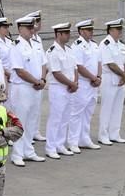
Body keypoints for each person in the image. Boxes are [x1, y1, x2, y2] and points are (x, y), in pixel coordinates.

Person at [8, 16, 47, 167]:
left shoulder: (37, 43)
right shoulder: (16, 46)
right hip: (23, 87)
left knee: (32, 120)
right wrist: (36, 81)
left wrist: (42, 79)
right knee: (20, 122)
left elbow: (44, 64)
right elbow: (19, 70)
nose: (32, 30)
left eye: (33, 27)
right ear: (20, 29)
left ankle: (29, 151)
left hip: (37, 87)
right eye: (29, 28)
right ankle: (17, 154)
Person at [67, 19, 102, 153]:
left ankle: (84, 138)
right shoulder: (77, 46)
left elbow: (99, 62)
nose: (91, 32)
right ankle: (73, 141)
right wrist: (93, 77)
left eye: (92, 30)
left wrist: (98, 77)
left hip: (93, 84)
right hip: (83, 83)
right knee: (77, 113)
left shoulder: (94, 45)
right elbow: (79, 66)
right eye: (88, 30)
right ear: (81, 31)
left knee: (88, 112)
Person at [44, 23, 78, 160]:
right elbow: (56, 73)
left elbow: (75, 68)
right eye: (66, 33)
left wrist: (75, 82)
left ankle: (60, 144)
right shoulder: (52, 51)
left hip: (69, 88)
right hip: (58, 88)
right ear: (59, 34)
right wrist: (71, 84)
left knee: (65, 118)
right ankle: (50, 147)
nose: (69, 35)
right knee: (56, 118)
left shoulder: (69, 50)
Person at [98, 19, 125, 145]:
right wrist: (124, 75)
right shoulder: (105, 44)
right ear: (110, 30)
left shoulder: (120, 44)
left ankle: (114, 133)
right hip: (109, 78)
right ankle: (103, 134)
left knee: (118, 108)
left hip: (120, 79)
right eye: (117, 29)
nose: (120, 32)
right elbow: (110, 64)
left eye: (120, 29)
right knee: (107, 108)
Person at [29, 10, 47, 142]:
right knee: (26, 109)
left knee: (36, 107)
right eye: (36, 22)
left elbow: (42, 60)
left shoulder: (38, 39)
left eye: (39, 21)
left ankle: (35, 130)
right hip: (29, 80)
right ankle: (27, 132)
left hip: (40, 79)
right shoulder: (28, 39)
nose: (38, 24)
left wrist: (43, 77)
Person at [0, 17, 14, 83]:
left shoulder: (9, 41)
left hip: (13, 76)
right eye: (5, 27)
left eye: (8, 27)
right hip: (2, 77)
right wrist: (8, 74)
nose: (7, 29)